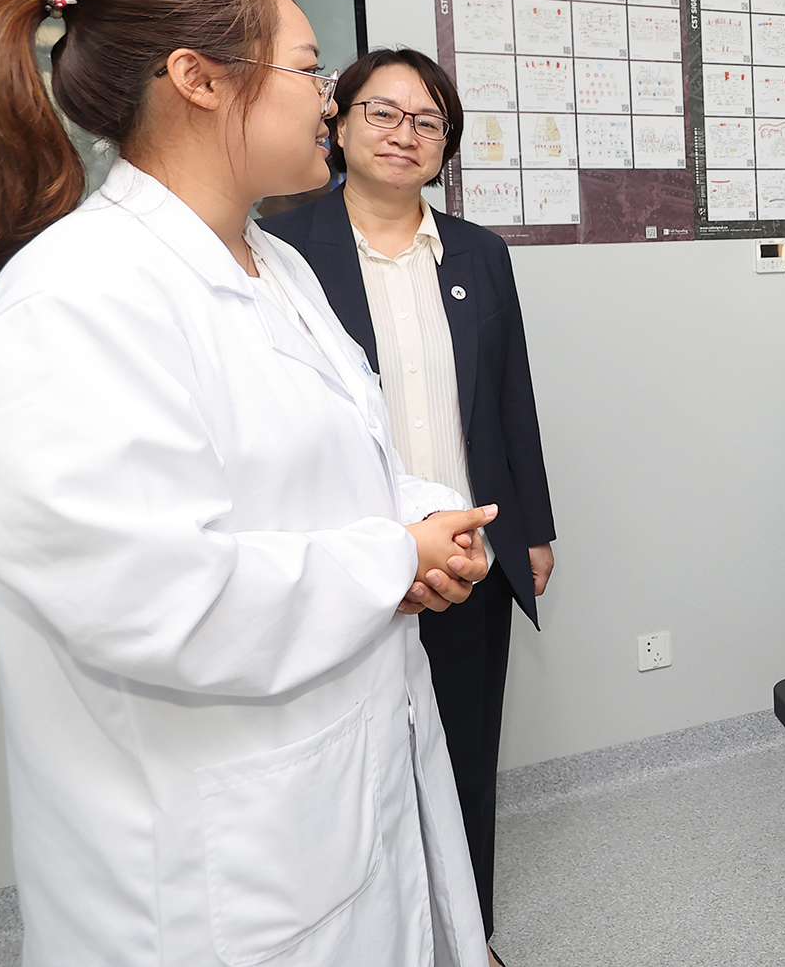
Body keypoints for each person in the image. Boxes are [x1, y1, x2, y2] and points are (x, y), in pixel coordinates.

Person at [0, 0, 493, 965]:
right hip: (210, 880)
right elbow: (153, 598)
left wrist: (422, 515)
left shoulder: (275, 267)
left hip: (335, 803)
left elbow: (342, 463)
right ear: (198, 79)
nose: (328, 104)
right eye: (308, 71)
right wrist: (393, 559)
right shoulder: (76, 299)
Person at [261, 48, 556, 962]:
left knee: (465, 759)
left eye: (428, 121)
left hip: (465, 553)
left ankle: (470, 938)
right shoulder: (279, 246)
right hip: (351, 561)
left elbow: (510, 399)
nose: (404, 134)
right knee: (354, 775)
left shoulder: (479, 253)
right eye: (382, 112)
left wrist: (533, 529)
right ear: (339, 120)